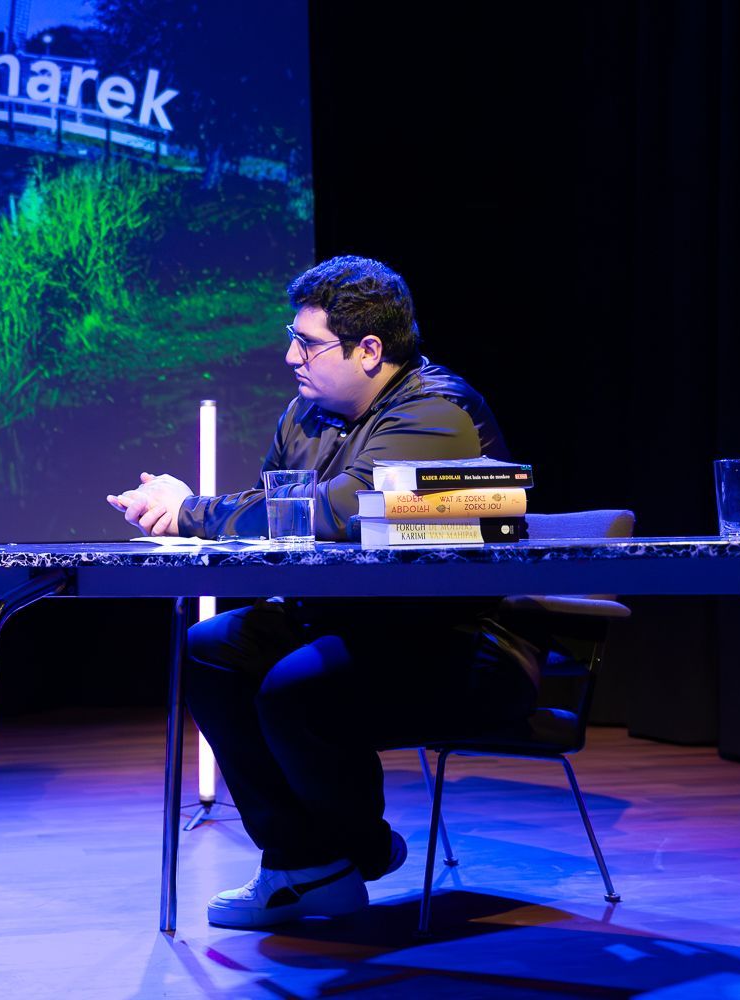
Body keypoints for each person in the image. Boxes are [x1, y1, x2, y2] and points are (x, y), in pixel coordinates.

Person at [106, 256, 539, 928]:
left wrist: (190, 510)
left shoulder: (437, 412)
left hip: (457, 645)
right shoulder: (305, 415)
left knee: (295, 687)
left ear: (370, 351)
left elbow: (337, 511)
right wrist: (226, 517)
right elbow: (271, 518)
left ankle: (358, 851)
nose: (290, 357)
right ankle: (303, 865)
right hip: (349, 624)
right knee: (212, 648)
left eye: (307, 344)